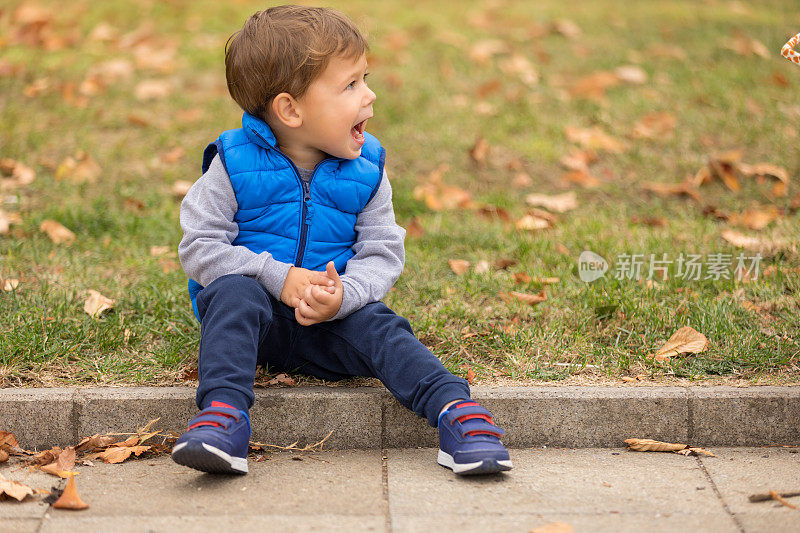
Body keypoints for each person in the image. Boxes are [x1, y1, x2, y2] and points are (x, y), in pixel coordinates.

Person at [172, 5, 512, 476]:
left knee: (384, 327)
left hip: (333, 322)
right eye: (350, 85)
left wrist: (346, 296)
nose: (369, 96)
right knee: (233, 292)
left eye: (365, 77)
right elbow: (200, 245)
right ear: (290, 109)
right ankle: (223, 418)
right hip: (253, 323)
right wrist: (277, 276)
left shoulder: (366, 169)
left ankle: (457, 412)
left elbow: (381, 251)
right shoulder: (232, 163)